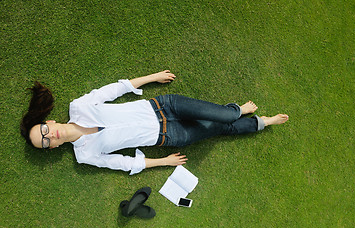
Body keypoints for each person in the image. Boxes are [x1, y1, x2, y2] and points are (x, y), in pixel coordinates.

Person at [21, 70, 289, 175]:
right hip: (170, 135)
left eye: (44, 130)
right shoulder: (85, 155)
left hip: (164, 106)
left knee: (228, 116)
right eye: (45, 142)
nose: (50, 136)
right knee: (220, 129)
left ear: (50, 121)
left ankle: (235, 110)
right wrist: (163, 162)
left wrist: (152, 77)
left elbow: (114, 89)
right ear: (52, 148)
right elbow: (124, 163)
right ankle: (261, 123)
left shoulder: (78, 107)